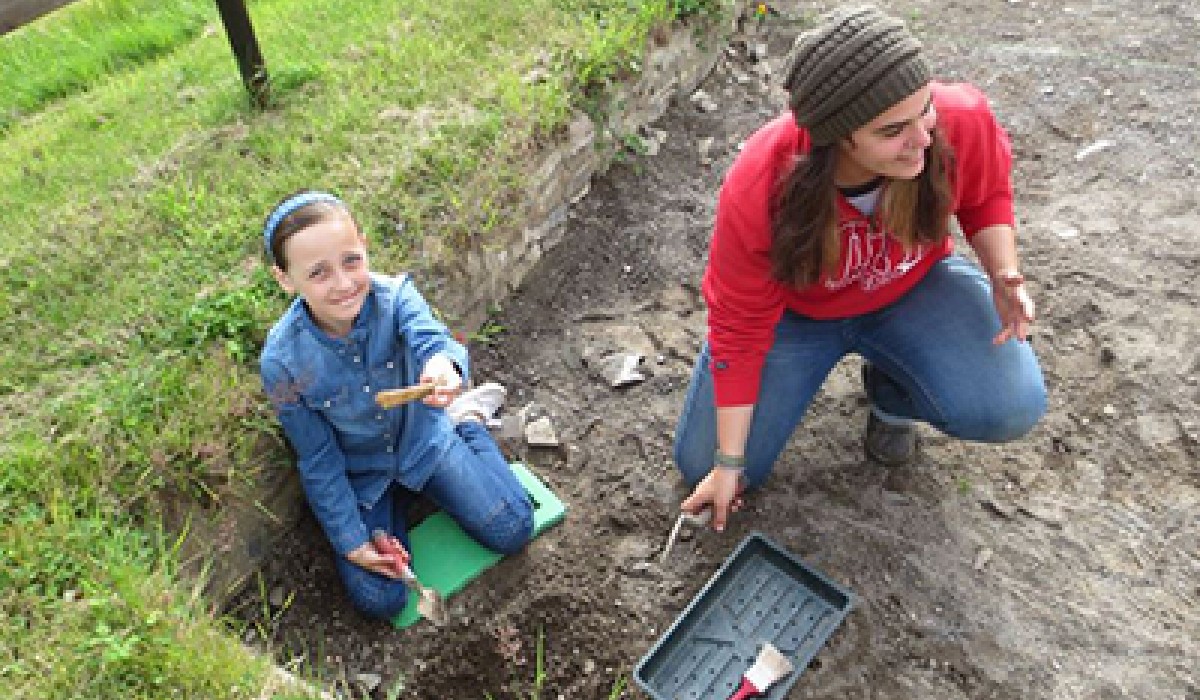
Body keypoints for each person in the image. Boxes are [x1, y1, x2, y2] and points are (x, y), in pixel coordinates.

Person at [674, 5, 1047, 532]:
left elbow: (986, 196)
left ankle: (891, 394)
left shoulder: (960, 118)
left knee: (1010, 405)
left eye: (924, 111)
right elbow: (739, 326)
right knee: (707, 466)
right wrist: (729, 463)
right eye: (893, 129)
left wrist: (1004, 273)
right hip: (795, 319)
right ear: (839, 137)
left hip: (912, 292)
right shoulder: (762, 180)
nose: (921, 138)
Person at [259, 190, 534, 619]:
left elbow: (434, 342)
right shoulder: (282, 362)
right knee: (380, 598)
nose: (344, 283)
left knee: (513, 528)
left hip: (425, 442)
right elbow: (317, 457)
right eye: (318, 273)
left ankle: (468, 422)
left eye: (351, 260)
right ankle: (396, 507)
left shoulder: (396, 297)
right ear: (285, 278)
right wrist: (352, 541)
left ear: (364, 245)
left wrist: (444, 367)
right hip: (363, 477)